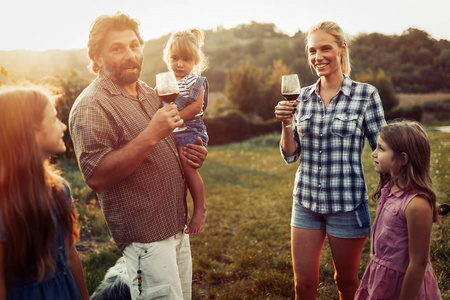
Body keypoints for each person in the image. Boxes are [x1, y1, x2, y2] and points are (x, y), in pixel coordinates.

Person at [69, 12, 207, 300]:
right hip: (147, 241)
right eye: (117, 48)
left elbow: (168, 142)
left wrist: (192, 153)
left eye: (134, 45)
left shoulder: (146, 91)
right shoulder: (91, 106)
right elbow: (97, 176)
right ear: (96, 57)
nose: (130, 55)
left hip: (176, 226)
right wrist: (152, 134)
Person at [274, 21, 386, 300]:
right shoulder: (301, 98)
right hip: (305, 202)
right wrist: (286, 123)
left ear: (341, 49)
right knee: (303, 286)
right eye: (312, 51)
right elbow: (291, 155)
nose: (318, 57)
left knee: (347, 284)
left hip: (347, 204)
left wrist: (403, 191)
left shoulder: (365, 94)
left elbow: (385, 148)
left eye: (326, 48)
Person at [0, 86, 90, 300]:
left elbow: (69, 255)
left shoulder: (59, 189)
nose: (63, 127)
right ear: (29, 132)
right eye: (54, 120)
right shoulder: (4, 202)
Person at [355, 120, 443, 300]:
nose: (373, 153)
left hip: (405, 287)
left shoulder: (416, 205)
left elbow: (418, 265)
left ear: (403, 159)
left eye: (381, 148)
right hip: (382, 280)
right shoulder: (390, 188)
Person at [162, 28, 209, 235]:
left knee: (188, 166)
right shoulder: (166, 81)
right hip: (172, 130)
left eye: (186, 59)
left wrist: (175, 119)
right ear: (167, 58)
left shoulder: (196, 82)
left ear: (196, 61)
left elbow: (196, 107)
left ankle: (199, 208)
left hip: (190, 129)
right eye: (174, 58)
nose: (179, 64)